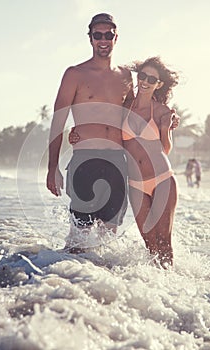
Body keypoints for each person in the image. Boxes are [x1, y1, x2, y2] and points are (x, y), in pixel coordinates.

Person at [46, 13, 134, 252]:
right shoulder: (75, 74)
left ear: (116, 37)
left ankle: (94, 283)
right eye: (98, 35)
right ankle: (65, 282)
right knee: (78, 240)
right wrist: (52, 167)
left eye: (108, 35)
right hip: (85, 160)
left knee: (108, 243)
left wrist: (166, 117)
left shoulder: (126, 77)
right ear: (90, 38)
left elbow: (134, 118)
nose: (103, 40)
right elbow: (58, 122)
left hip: (117, 161)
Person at [122, 56, 179, 268]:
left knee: (165, 244)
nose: (145, 81)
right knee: (150, 246)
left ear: (159, 84)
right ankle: (154, 288)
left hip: (163, 179)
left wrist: (164, 129)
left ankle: (172, 294)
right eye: (142, 76)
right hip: (136, 185)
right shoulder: (124, 108)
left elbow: (165, 149)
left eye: (151, 79)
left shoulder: (163, 111)